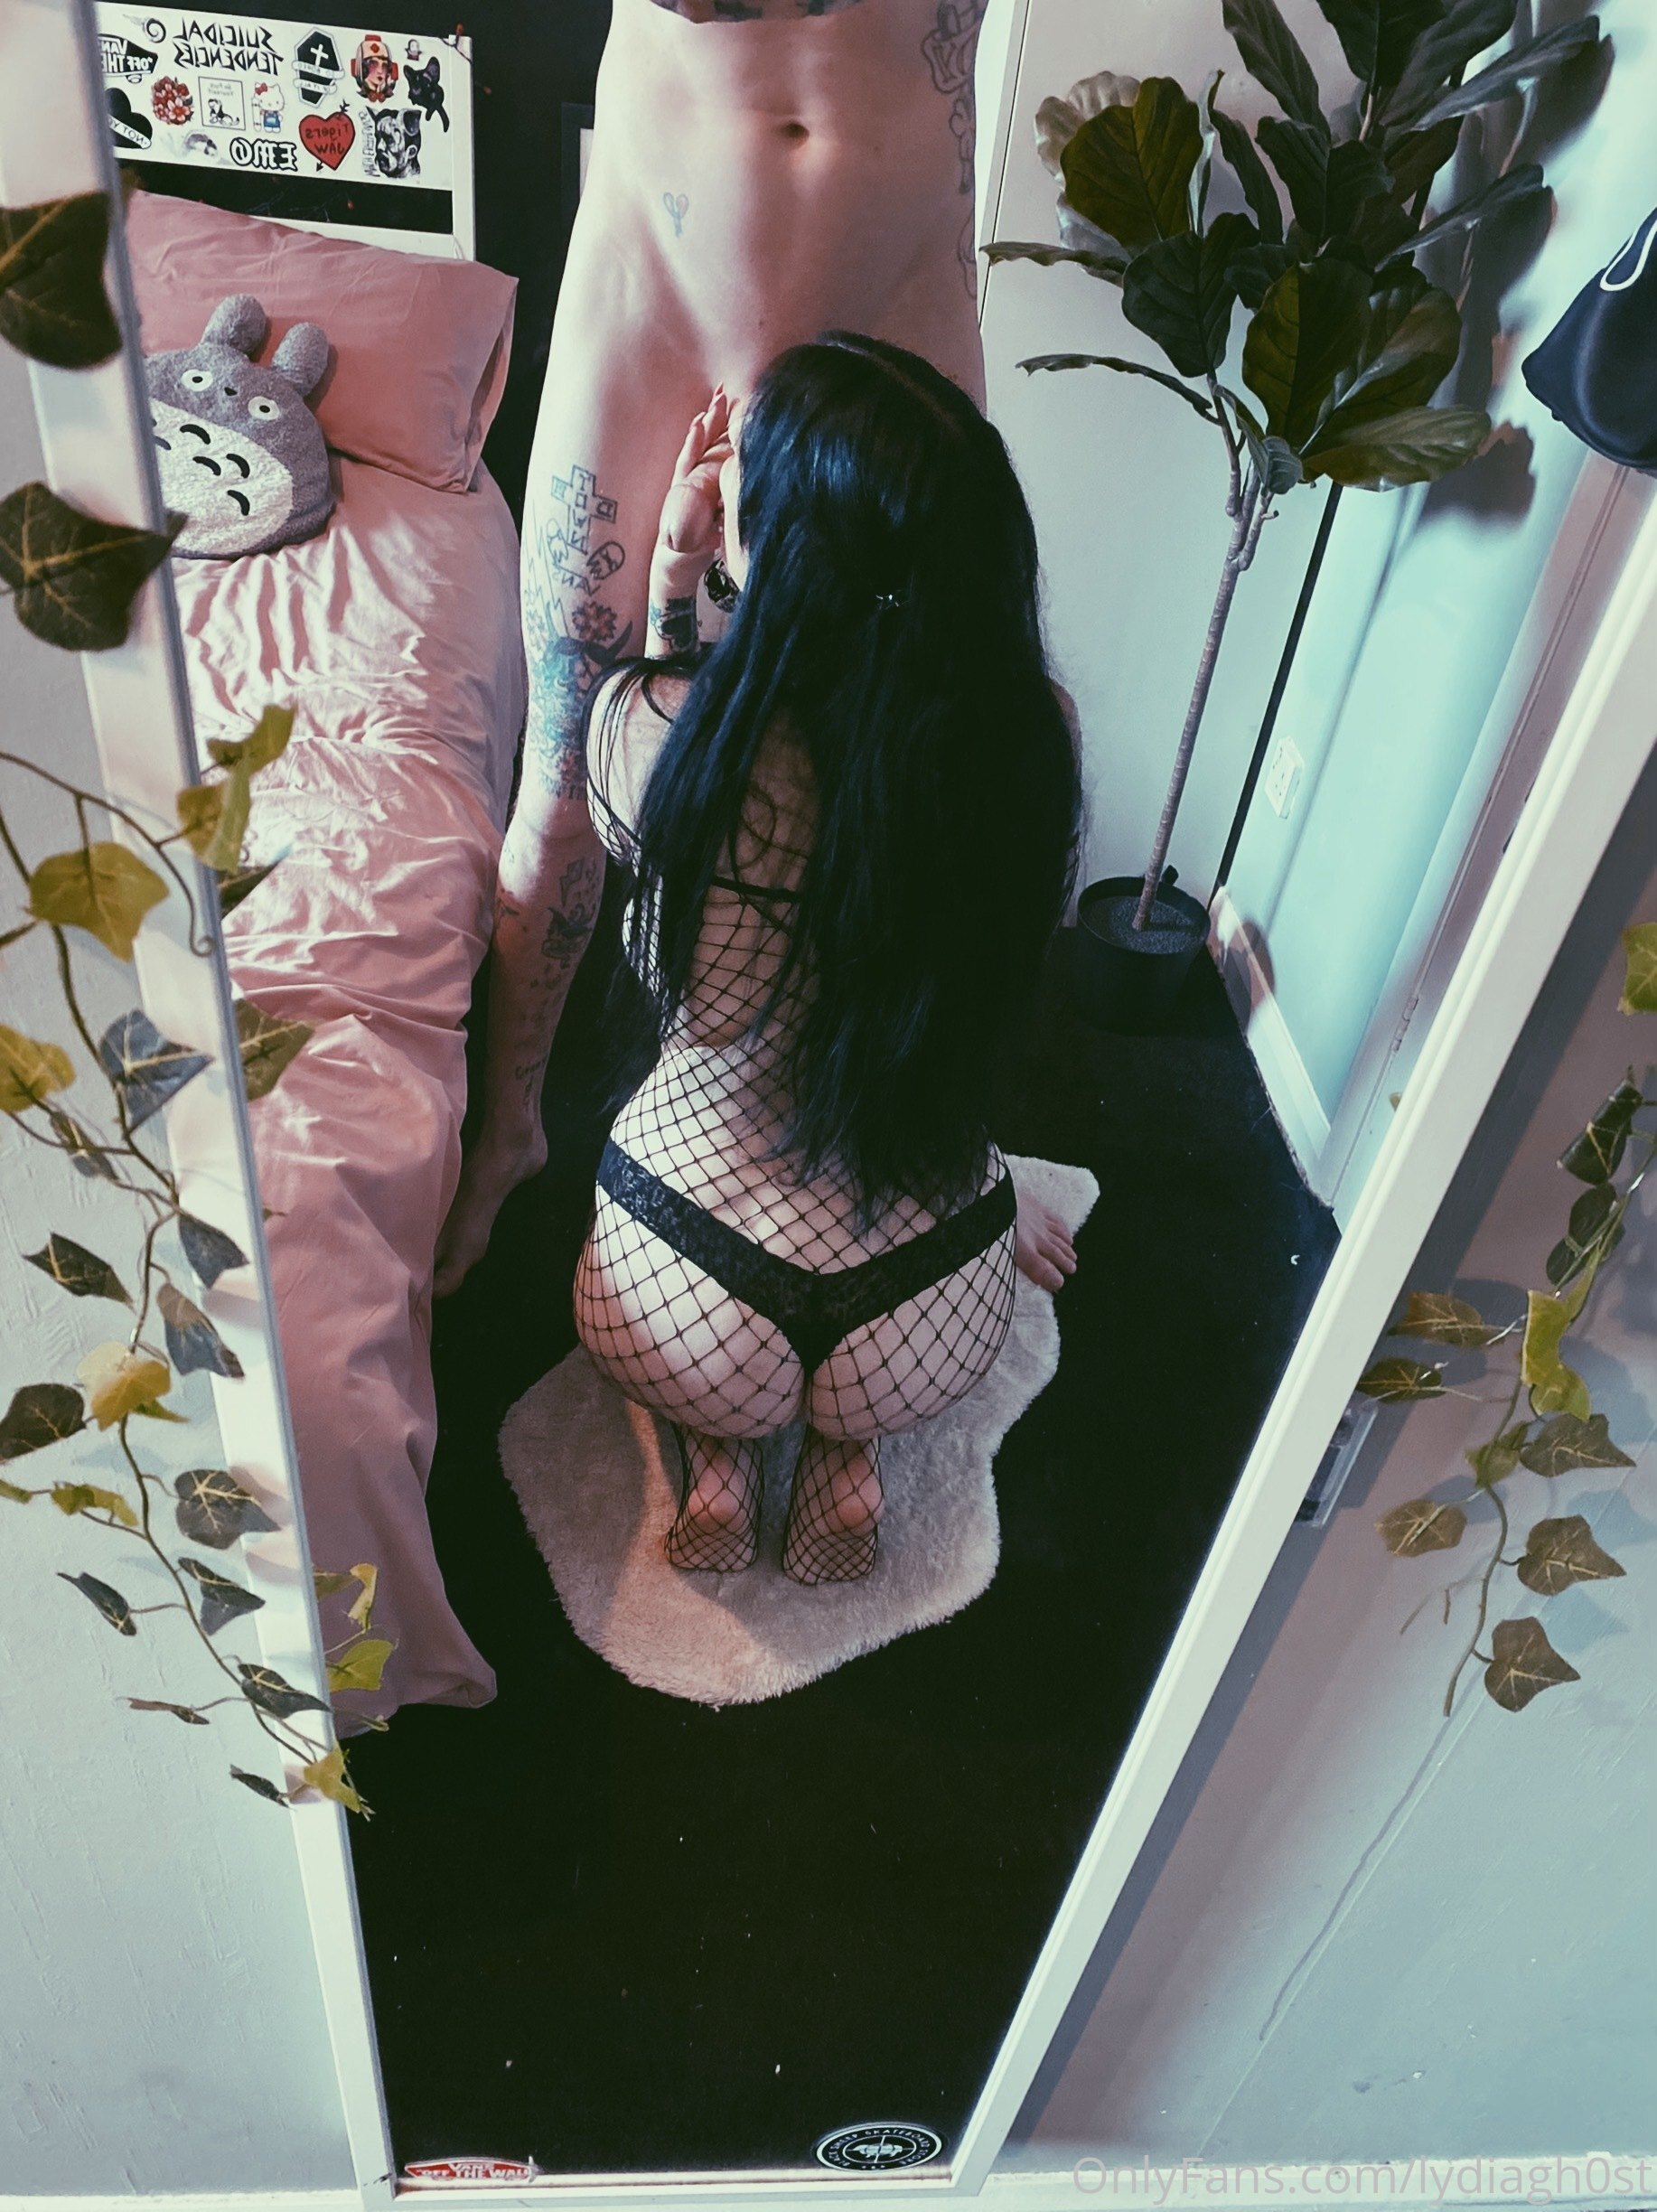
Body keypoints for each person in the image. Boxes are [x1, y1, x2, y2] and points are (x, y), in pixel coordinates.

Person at [435, 0, 995, 1295]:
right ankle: (510, 1127)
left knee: (933, 771)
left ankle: (936, 1143)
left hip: (900, 290)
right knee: (560, 779)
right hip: (656, 290)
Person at [571, 333, 1081, 1582]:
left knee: (711, 1364)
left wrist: (683, 580)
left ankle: (722, 1454)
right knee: (907, 1086)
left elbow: (694, 730)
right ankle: (850, 1458)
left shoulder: (643, 728)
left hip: (690, 1287)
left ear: (782, 547)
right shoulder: (1029, 748)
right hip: (925, 1308)